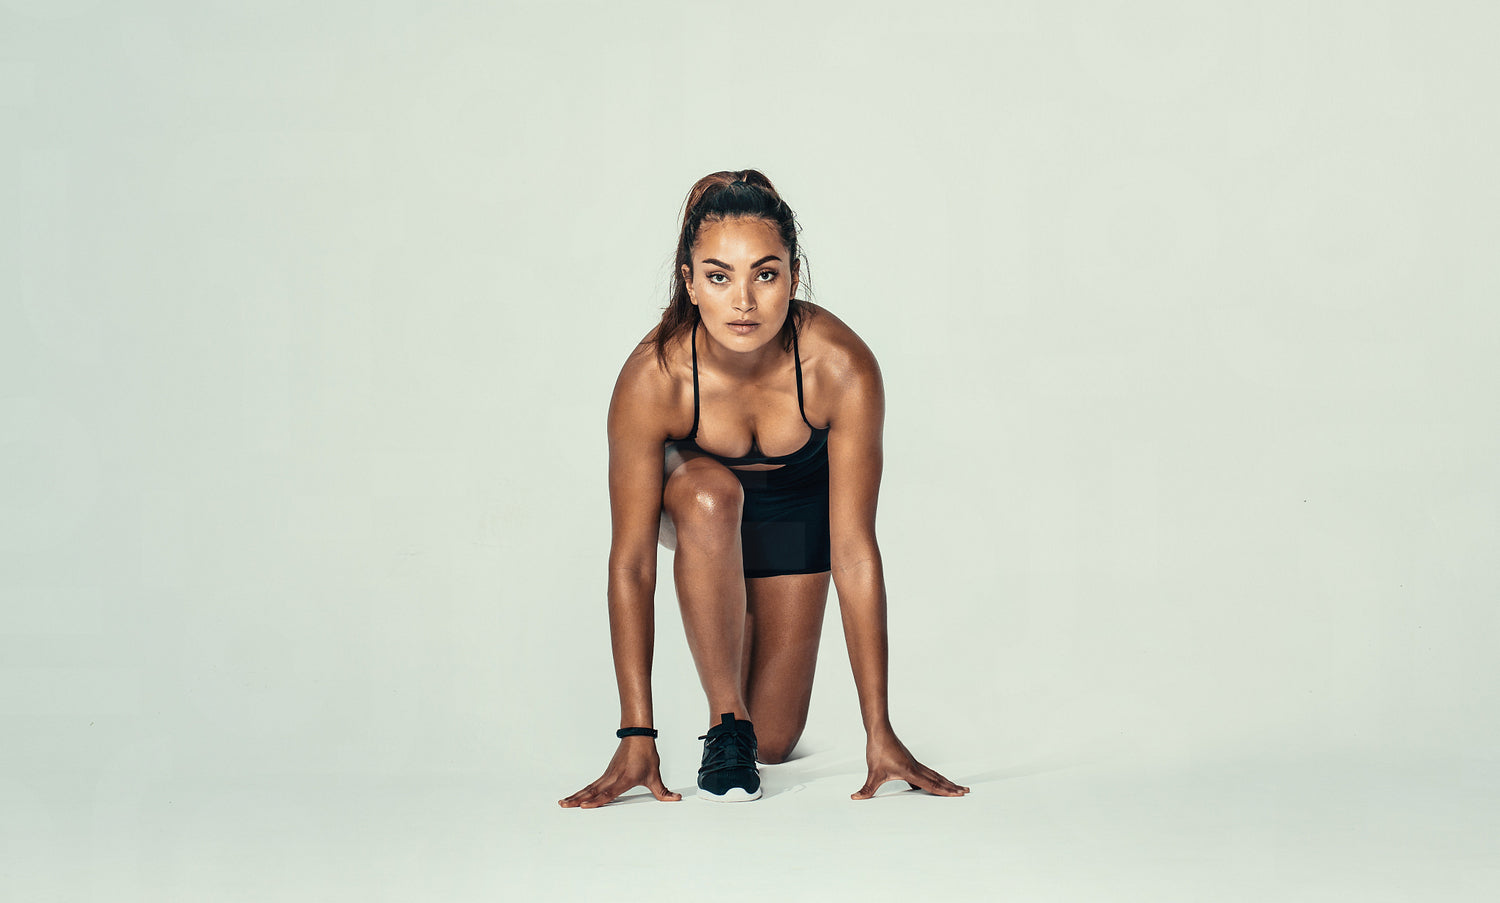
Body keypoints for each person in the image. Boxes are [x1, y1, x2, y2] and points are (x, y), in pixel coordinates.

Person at [558, 170, 969, 808]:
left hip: (792, 512)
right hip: (696, 502)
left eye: (765, 274)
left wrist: (880, 731)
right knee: (711, 498)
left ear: (793, 277)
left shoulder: (840, 366)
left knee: (773, 743)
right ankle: (726, 719)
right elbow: (632, 561)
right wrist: (636, 734)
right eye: (719, 277)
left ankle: (740, 672)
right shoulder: (655, 377)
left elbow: (855, 550)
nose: (743, 301)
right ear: (690, 282)